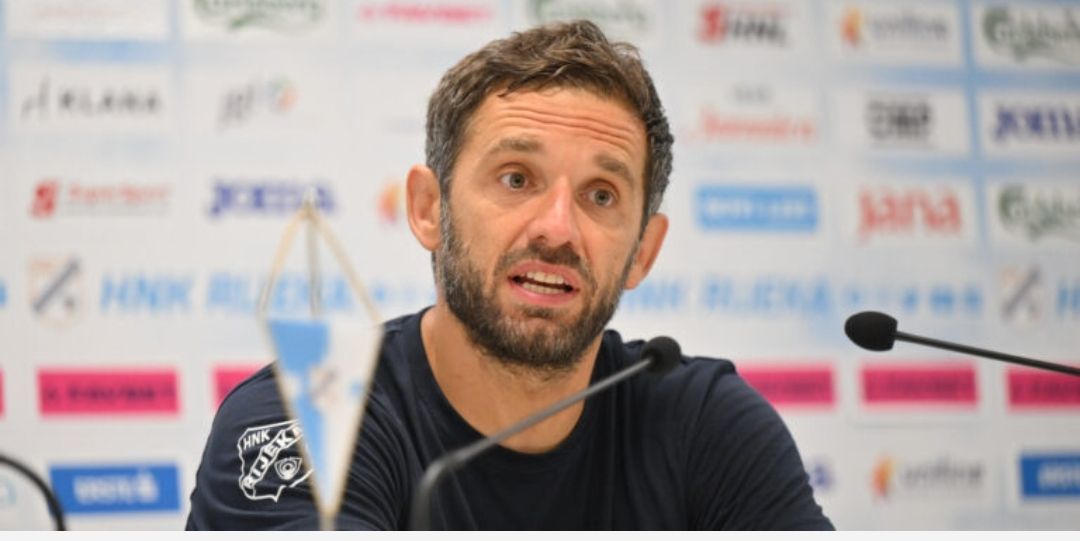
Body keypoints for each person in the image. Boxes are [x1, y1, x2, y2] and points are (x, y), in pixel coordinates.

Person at [186, 20, 833, 530]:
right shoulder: (310, 417)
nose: (558, 229)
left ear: (642, 251)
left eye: (601, 195)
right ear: (428, 209)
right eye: (517, 179)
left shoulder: (705, 425)